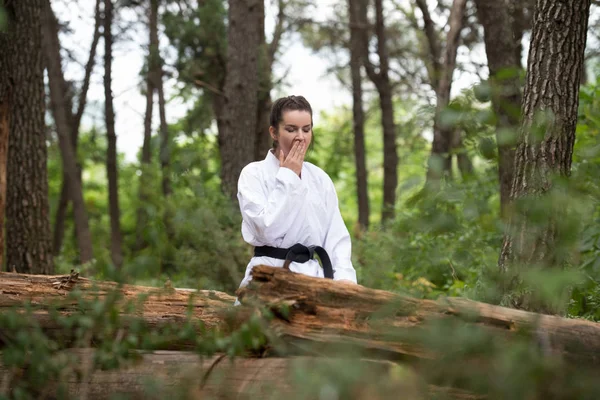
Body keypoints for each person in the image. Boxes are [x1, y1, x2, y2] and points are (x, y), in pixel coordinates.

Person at [235, 95, 357, 297]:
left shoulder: (319, 178)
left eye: (306, 129)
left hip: (314, 278)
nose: (300, 137)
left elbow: (335, 236)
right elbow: (267, 229)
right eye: (291, 129)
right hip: (267, 276)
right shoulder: (253, 174)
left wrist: (345, 280)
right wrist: (288, 177)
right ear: (274, 132)